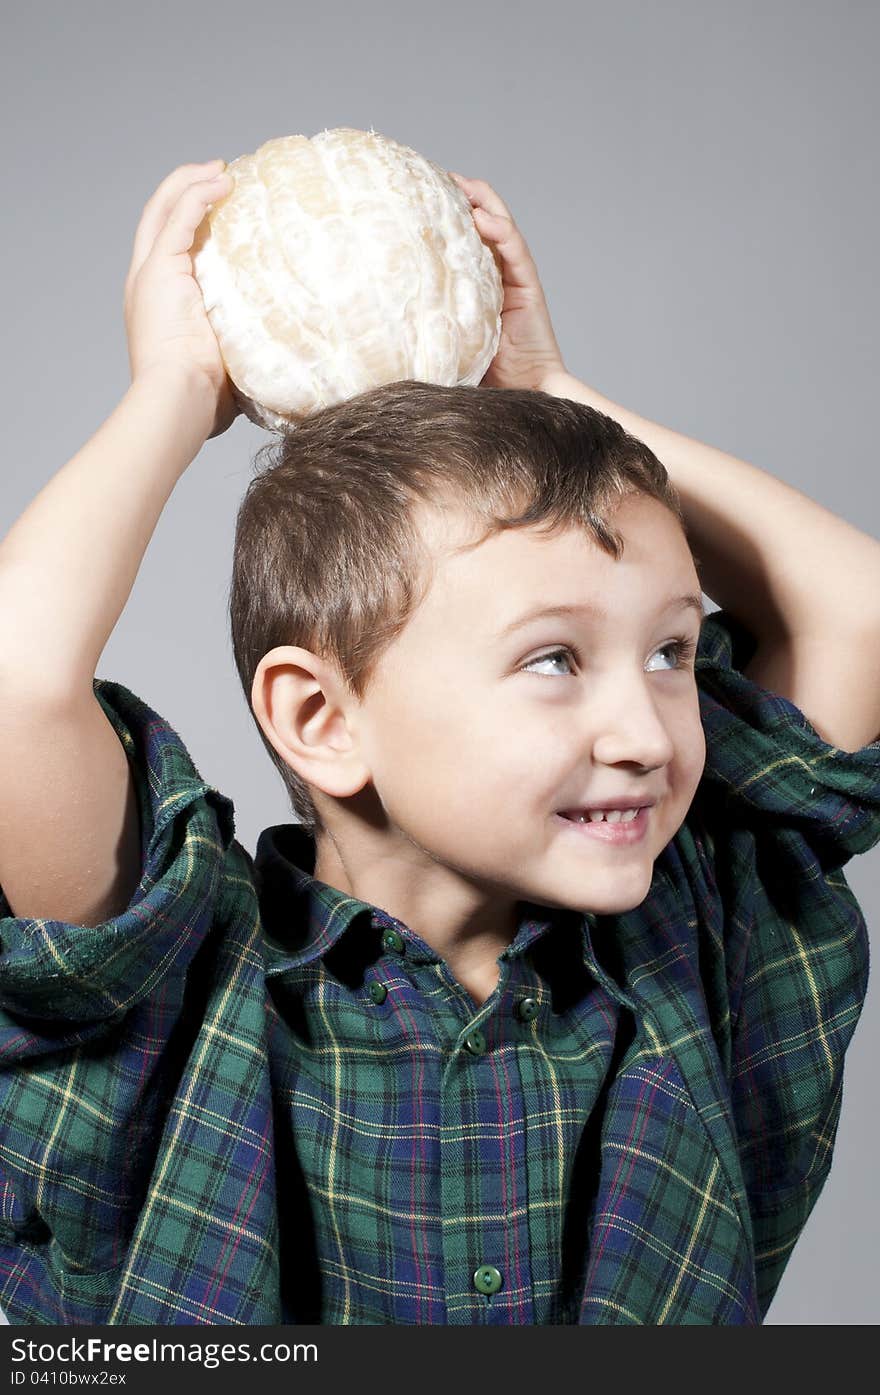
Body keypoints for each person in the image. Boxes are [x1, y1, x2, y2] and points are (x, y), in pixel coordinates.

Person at [0, 160, 878, 1327]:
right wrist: (172, 389)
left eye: (671, 652)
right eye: (555, 661)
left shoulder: (705, 924)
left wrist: (552, 389)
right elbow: (17, 687)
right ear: (321, 718)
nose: (648, 734)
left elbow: (856, 610)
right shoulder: (172, 984)